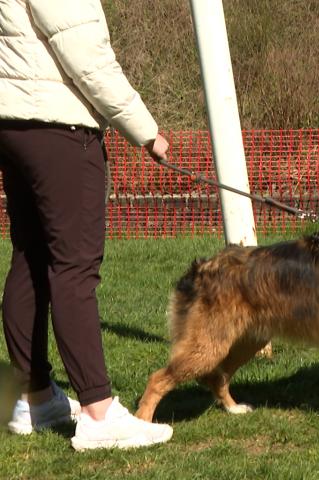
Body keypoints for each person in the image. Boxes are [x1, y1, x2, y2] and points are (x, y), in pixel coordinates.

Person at [1, 0, 174, 449]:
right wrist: (144, 130)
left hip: (13, 122)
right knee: (75, 266)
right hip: (58, 126)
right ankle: (98, 413)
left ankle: (35, 399)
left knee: (31, 258)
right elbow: (87, 58)